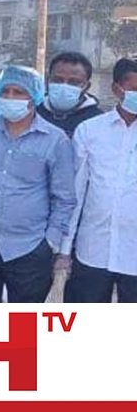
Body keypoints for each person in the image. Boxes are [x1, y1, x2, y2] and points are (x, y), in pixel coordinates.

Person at [0, 65, 75, 303]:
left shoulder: (55, 140)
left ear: (34, 97)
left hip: (29, 247)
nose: (10, 97)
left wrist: (50, 242)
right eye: (6, 92)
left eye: (19, 92)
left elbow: (64, 197)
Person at [63, 57, 137, 302]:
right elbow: (76, 192)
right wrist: (65, 248)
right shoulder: (90, 131)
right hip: (93, 248)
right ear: (117, 89)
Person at [37, 51, 104, 137]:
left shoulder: (97, 121)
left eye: (73, 82)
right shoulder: (33, 114)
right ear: (48, 80)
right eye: (58, 80)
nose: (64, 86)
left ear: (86, 86)